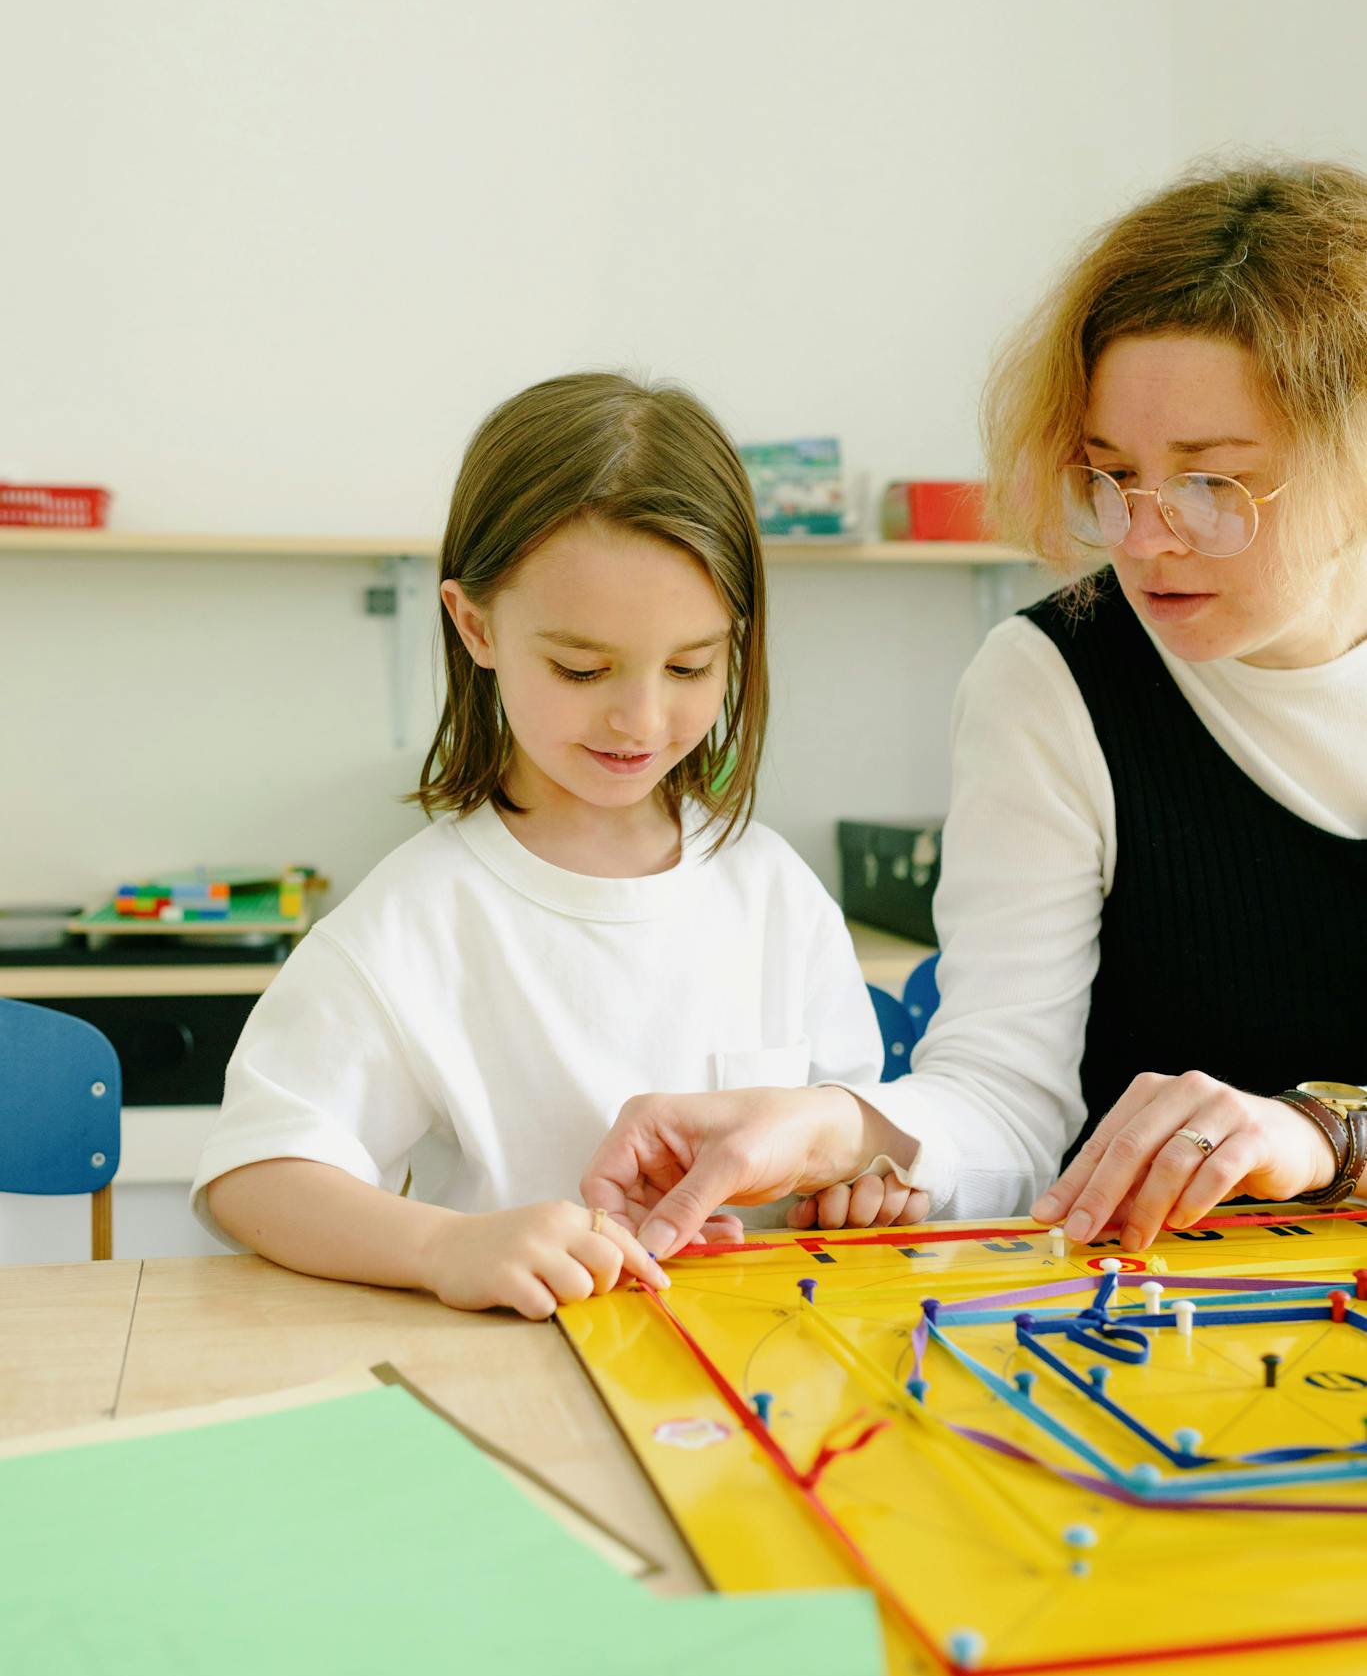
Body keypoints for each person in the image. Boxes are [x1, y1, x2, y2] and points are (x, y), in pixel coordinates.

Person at [583, 162, 1367, 1260]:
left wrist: (1318, 1131)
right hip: (1167, 1328)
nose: (1140, 539)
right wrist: (837, 1125)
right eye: (1108, 476)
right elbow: (1005, 1097)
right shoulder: (1049, 681)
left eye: (1209, 484)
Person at [193, 371, 882, 1315]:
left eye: (690, 665)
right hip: (516, 1376)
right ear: (475, 626)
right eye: (580, 666)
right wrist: (445, 1246)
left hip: (751, 1383)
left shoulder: (773, 892)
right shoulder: (419, 916)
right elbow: (254, 1174)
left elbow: (854, 1134)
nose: (638, 717)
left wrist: (857, 1188)